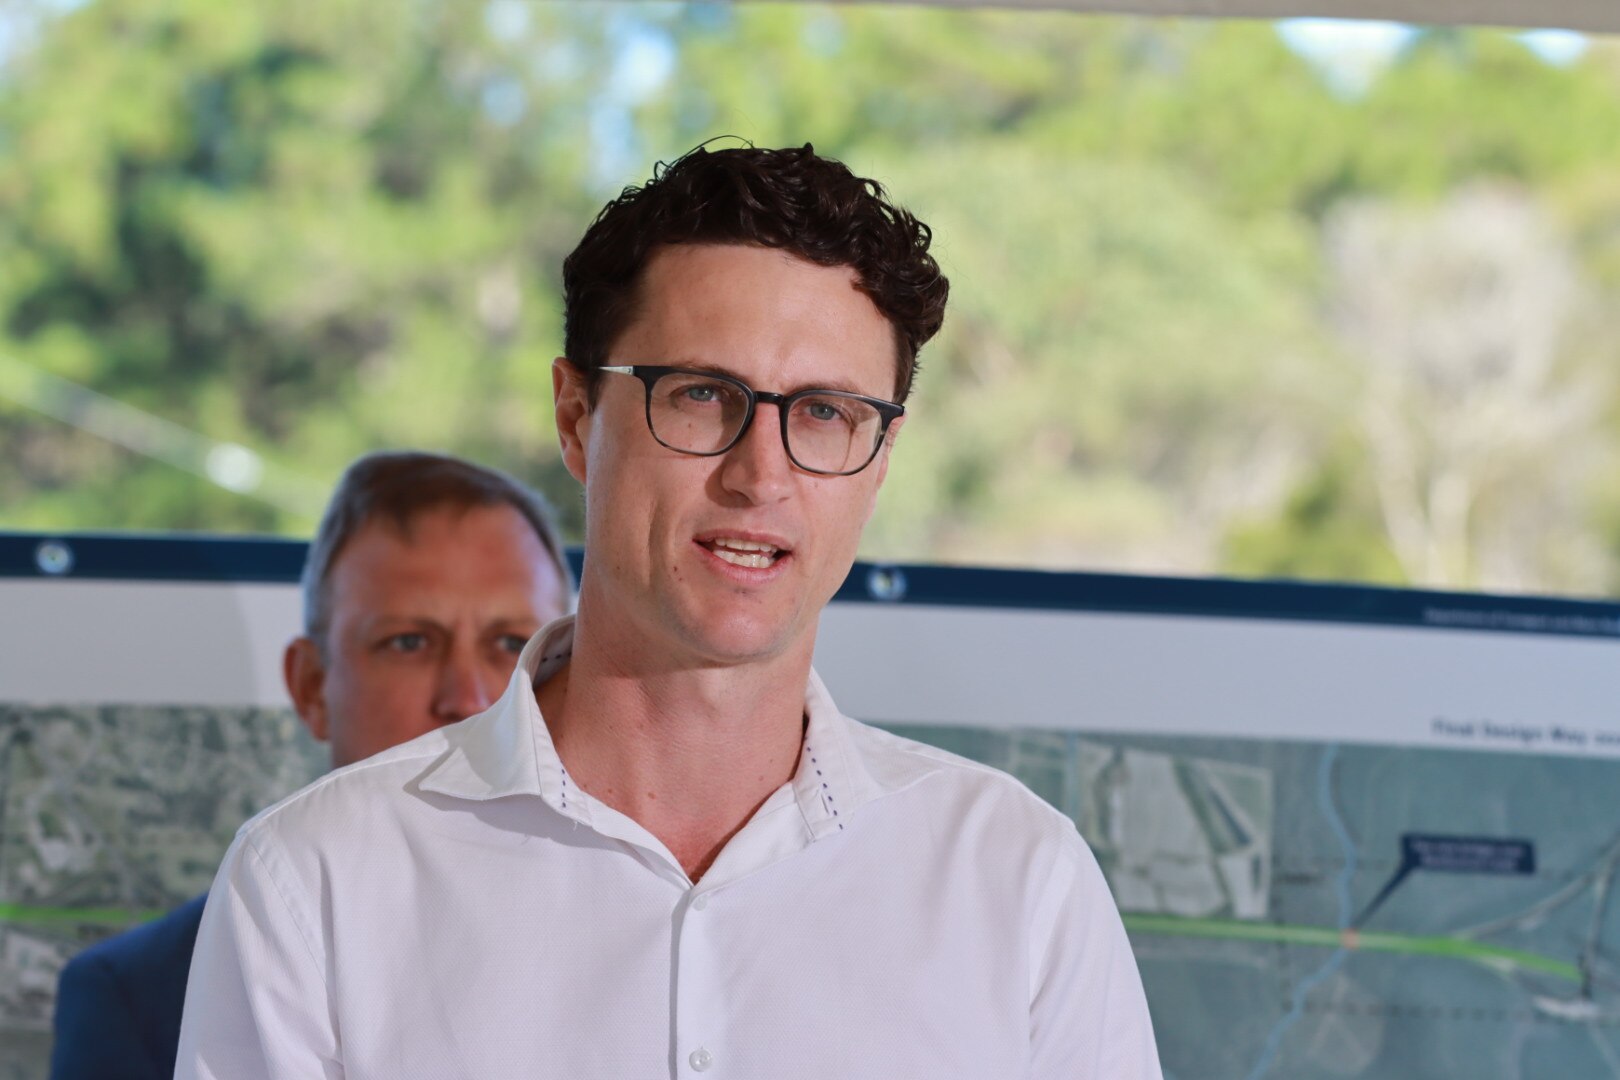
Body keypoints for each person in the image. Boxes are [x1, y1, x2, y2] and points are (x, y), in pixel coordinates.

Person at [176, 144, 1162, 1079]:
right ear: (575, 418)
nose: (760, 474)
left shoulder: (1019, 883)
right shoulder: (316, 883)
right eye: (701, 395)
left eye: (825, 412)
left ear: (882, 457)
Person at [49, 450, 572, 1080]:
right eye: (409, 642)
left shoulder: (661, 918)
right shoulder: (139, 996)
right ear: (311, 686)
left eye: (513, 643)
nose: (466, 696)